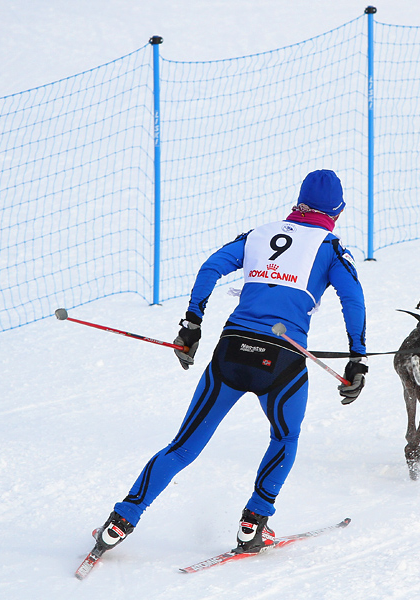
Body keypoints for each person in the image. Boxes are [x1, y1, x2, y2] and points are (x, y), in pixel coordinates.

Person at [91, 169, 368, 556]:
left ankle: (121, 520)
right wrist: (357, 359)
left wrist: (191, 326)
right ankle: (254, 523)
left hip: (231, 351)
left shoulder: (259, 234)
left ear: (299, 202)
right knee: (284, 438)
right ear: (336, 211)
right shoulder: (332, 248)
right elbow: (352, 299)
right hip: (282, 358)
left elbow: (211, 268)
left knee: (182, 447)